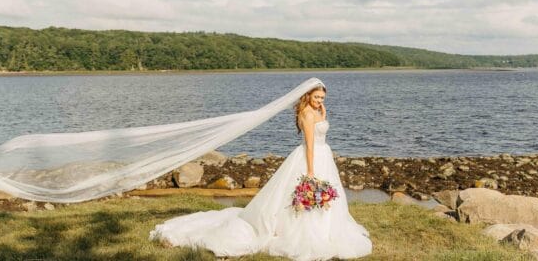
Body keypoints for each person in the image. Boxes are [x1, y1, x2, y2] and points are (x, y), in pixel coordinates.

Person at [149, 83, 373, 260]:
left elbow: (320, 132)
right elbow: (310, 143)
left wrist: (323, 114)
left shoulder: (316, 111)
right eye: (316, 98)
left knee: (325, 199)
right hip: (311, 158)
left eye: (322, 98)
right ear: (307, 96)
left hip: (324, 155)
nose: (319, 101)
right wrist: (312, 170)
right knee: (300, 195)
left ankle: (326, 230)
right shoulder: (305, 113)